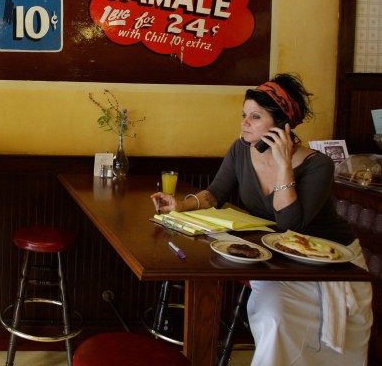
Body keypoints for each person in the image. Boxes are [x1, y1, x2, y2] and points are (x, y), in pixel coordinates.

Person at [151, 73, 372, 366]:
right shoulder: (240, 149)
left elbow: (291, 223)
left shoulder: (317, 165)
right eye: (244, 115)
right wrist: (181, 204)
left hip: (331, 261)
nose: (244, 123)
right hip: (277, 259)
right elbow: (216, 193)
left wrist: (283, 165)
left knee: (301, 331)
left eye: (255, 117)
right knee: (273, 317)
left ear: (283, 125)